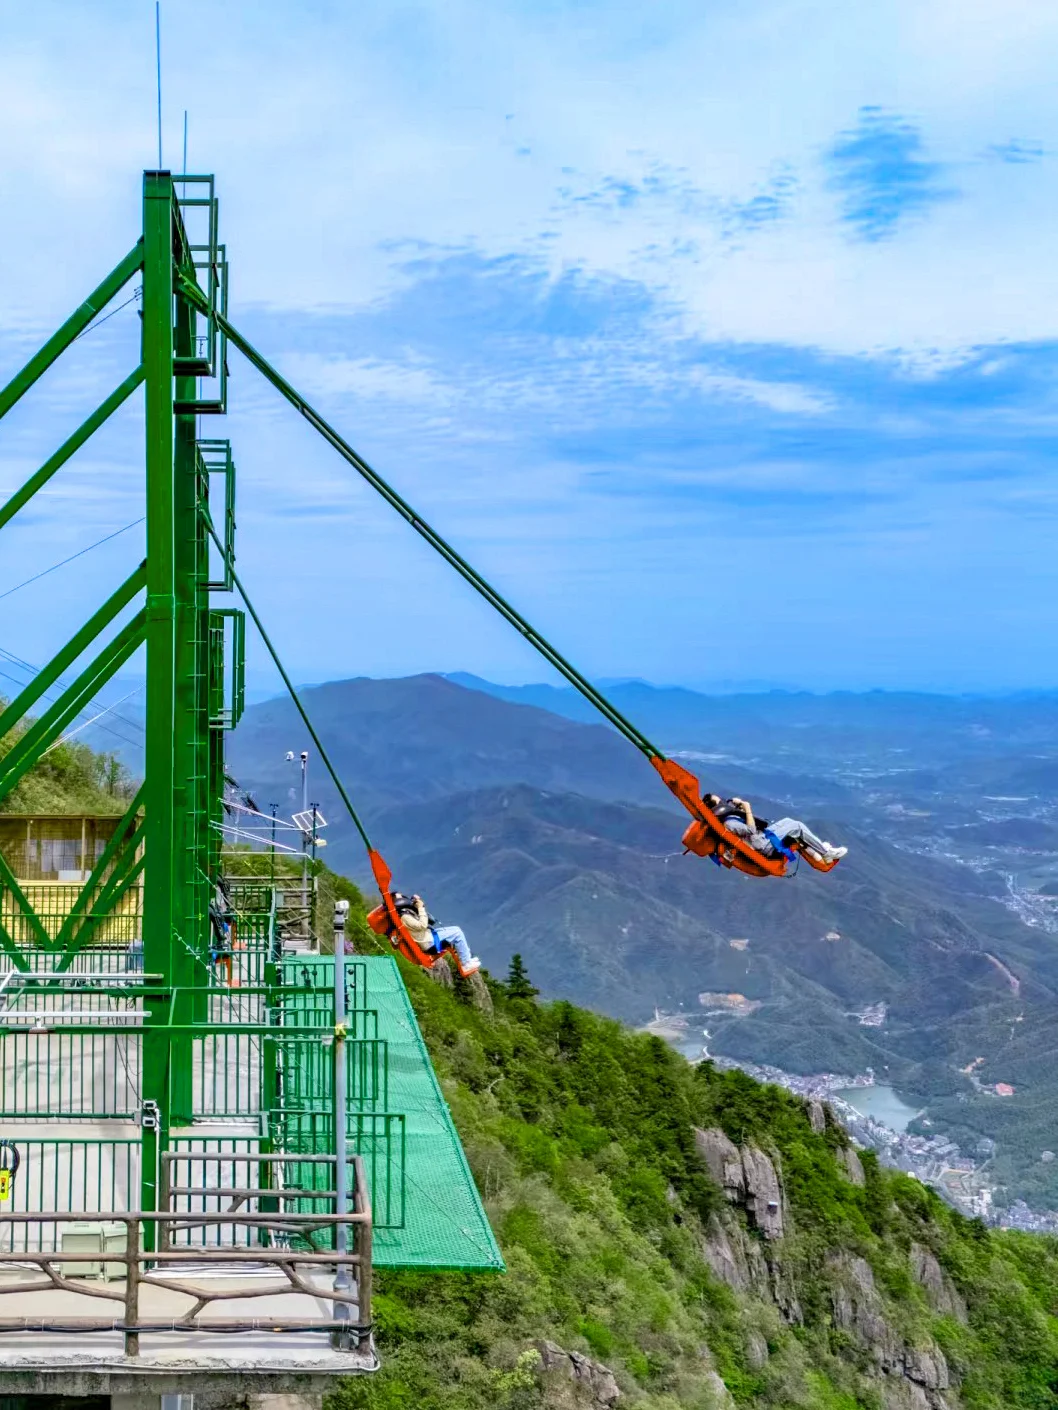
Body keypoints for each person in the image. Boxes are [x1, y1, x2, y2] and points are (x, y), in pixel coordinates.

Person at [703, 794, 847, 864]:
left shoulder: (727, 820)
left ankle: (819, 848)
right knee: (797, 826)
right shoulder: (728, 824)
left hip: (761, 837)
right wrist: (747, 808)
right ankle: (826, 853)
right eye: (719, 801)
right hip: (762, 843)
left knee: (788, 821)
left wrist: (738, 809)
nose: (723, 801)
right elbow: (751, 830)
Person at [394, 892, 481, 976]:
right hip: (429, 942)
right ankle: (466, 963)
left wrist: (416, 902)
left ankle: (467, 958)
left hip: (427, 935)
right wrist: (421, 908)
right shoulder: (405, 917)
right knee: (457, 933)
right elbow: (423, 925)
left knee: (456, 929)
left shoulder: (403, 913)